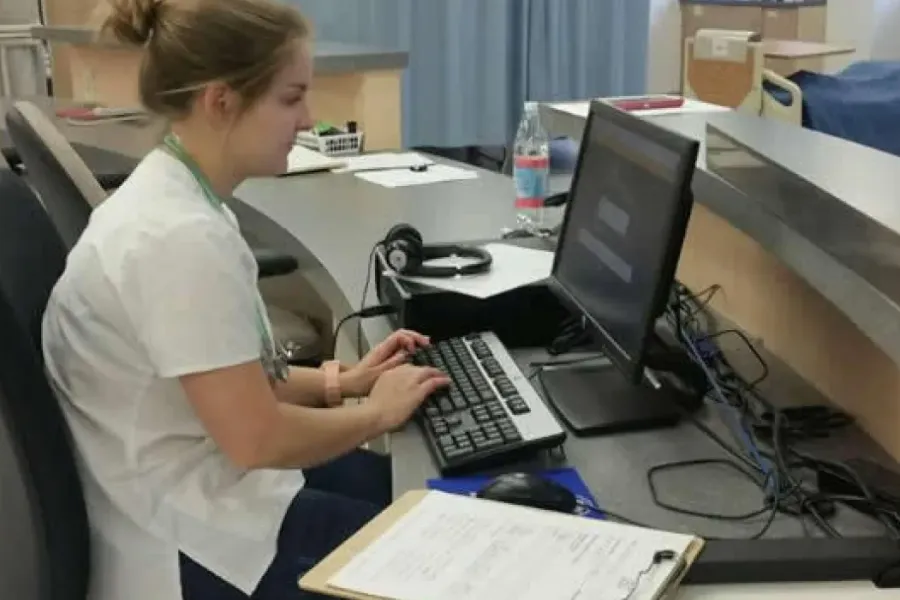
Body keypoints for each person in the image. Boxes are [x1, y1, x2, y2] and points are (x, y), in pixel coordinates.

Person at [40, 0, 450, 599]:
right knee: (442, 554)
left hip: (197, 485)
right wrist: (377, 415)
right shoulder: (176, 240)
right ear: (221, 101)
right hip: (182, 543)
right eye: (291, 98)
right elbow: (256, 438)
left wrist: (347, 383)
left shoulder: (182, 198)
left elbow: (226, 378)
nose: (308, 119)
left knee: (423, 500)